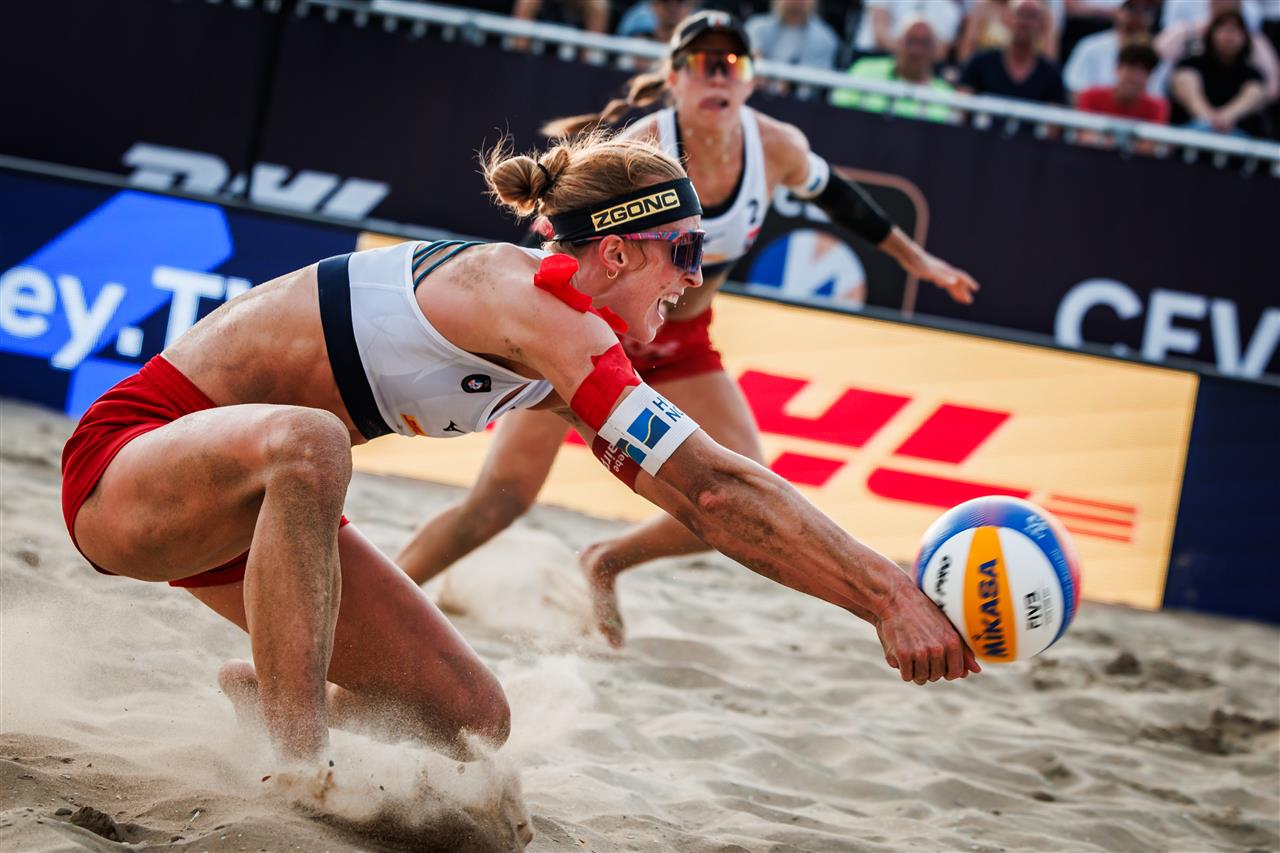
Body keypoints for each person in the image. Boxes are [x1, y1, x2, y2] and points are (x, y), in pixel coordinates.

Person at [60, 130, 980, 767]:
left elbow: (706, 502)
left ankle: (270, 690)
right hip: (128, 466)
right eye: (683, 253)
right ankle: (296, 767)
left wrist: (880, 598)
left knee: (471, 718)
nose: (694, 281)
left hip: (251, 522)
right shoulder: (529, 304)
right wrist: (887, 595)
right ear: (616, 253)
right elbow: (714, 487)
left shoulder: (557, 353)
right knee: (310, 442)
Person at [396, 11, 981, 648]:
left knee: (748, 492)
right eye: (702, 63)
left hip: (682, 340)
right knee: (498, 502)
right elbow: (565, 235)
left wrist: (917, 260)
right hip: (594, 334)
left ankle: (607, 560)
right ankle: (385, 596)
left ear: (751, 79)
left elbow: (842, 200)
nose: (718, 75)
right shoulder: (643, 147)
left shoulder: (775, 146)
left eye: (732, 63)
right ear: (674, 78)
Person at [832, 15, 958, 123]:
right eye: (911, 40)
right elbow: (839, 109)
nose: (916, 50)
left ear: (935, 50)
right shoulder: (864, 69)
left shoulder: (945, 93)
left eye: (925, 43)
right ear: (898, 43)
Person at [1169, 9, 1270, 135]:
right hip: (1191, 132)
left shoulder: (1253, 76)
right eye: (1223, 29)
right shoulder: (1189, 65)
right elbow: (1191, 100)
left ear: (1245, 38)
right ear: (1211, 33)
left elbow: (1255, 97)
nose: (1229, 36)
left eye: (1235, 30)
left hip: (1236, 137)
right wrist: (1209, 121)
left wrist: (1225, 119)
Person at [958, 0, 1068, 105]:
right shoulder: (979, 63)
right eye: (1020, 14)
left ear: (1042, 24)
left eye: (1031, 16)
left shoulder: (1050, 73)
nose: (1025, 22)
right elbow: (963, 101)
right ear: (1006, 19)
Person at [1063, 0, 1166, 98]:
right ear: (1117, 12)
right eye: (1131, 7)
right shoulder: (1090, 46)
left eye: (1147, 9)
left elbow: (1155, 96)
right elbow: (1074, 91)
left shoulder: (1156, 55)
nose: (1139, 14)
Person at [1075, 42, 1169, 122]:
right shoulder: (1091, 96)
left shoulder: (1156, 107)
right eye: (1131, 68)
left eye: (1144, 71)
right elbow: (1084, 133)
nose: (1135, 77)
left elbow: (1151, 138)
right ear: (1117, 68)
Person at [854, 0, 964, 63]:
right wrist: (912, 54)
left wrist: (912, 57)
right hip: (874, 57)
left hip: (921, 69)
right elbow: (879, 35)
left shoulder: (949, 8)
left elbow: (941, 52)